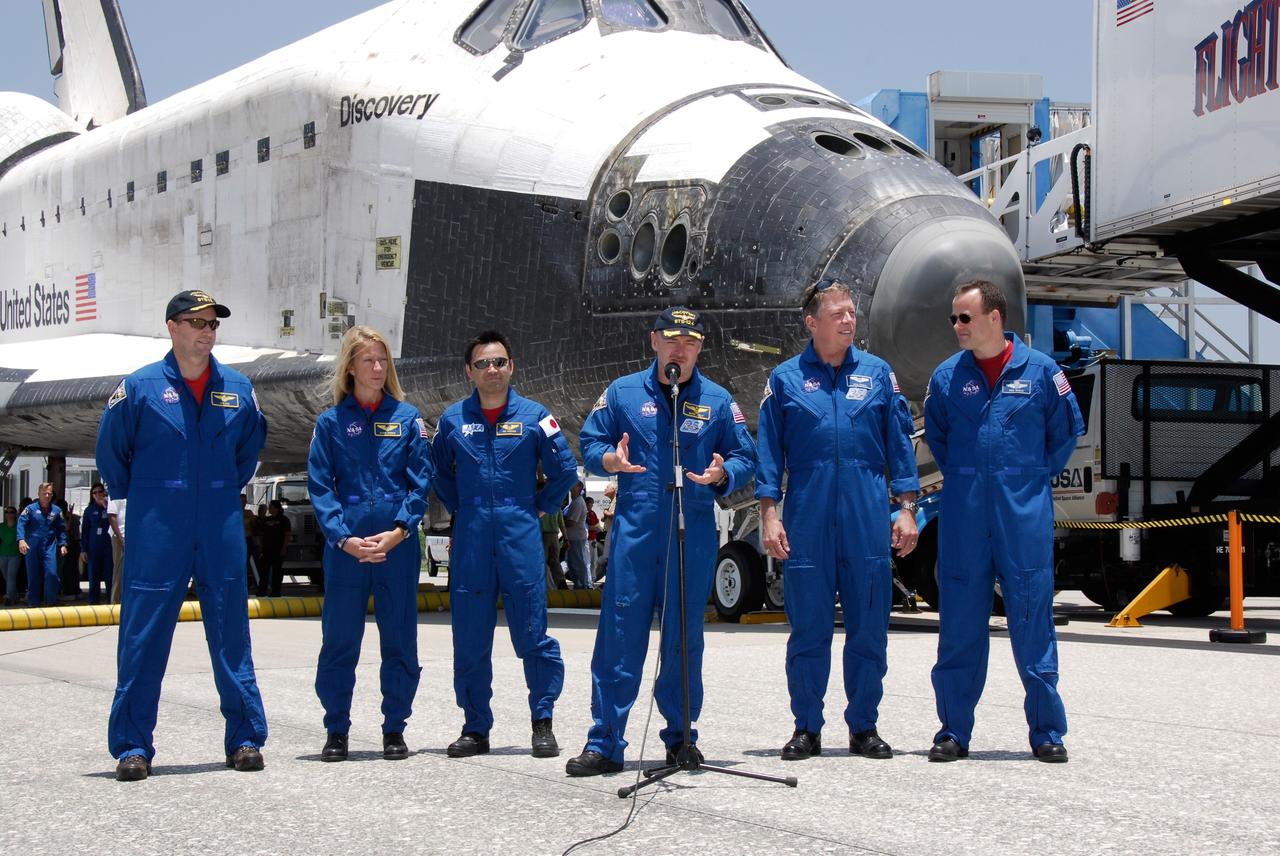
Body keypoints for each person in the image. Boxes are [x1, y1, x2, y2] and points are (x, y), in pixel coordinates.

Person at [565, 307, 756, 776]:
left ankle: (681, 736)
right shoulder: (623, 392)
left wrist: (723, 474)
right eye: (672, 340)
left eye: (690, 343)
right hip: (636, 530)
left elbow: (745, 456)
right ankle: (605, 742)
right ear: (654, 341)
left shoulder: (717, 399)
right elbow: (590, 441)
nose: (680, 350)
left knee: (684, 638)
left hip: (690, 533)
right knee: (620, 632)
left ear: (700, 348)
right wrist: (608, 460)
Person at [96, 289, 269, 782]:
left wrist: (213, 493)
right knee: (143, 634)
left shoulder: (237, 388)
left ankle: (244, 738)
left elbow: (249, 448)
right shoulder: (140, 388)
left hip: (217, 520)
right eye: (196, 322)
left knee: (231, 631)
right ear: (172, 327)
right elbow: (112, 451)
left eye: (212, 322)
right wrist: (128, 506)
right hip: (158, 523)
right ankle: (132, 745)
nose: (207, 331)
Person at [755, 278, 920, 762]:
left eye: (852, 312)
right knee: (809, 628)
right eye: (838, 313)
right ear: (812, 321)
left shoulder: (878, 373)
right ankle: (807, 727)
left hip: (866, 515)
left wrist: (906, 508)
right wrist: (769, 514)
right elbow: (768, 454)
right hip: (807, 513)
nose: (849, 320)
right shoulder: (785, 380)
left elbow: (900, 444)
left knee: (870, 625)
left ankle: (863, 727)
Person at [923, 280, 1084, 764]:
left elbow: (1063, 437)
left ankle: (1047, 732)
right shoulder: (948, 377)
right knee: (959, 625)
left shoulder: (1042, 372)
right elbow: (939, 437)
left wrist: (1026, 480)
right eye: (953, 318)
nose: (957, 327)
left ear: (995, 317)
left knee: (1033, 619)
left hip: (1022, 513)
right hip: (965, 514)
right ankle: (953, 731)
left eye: (965, 318)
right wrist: (975, 479)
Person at [433, 330, 578, 759]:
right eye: (482, 364)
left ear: (511, 367)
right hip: (473, 536)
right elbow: (439, 472)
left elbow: (565, 471)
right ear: (469, 371)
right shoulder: (452, 420)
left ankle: (542, 721)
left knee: (532, 633)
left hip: (520, 532)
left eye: (498, 362)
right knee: (470, 638)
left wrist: (538, 508)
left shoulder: (536, 417)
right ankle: (475, 728)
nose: (491, 370)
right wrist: (466, 509)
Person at [309, 325, 432, 763]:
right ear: (351, 367)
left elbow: (420, 484)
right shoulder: (330, 424)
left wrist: (400, 531)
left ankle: (394, 728)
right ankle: (336, 729)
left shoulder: (407, 419)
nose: (378, 368)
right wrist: (343, 539)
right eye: (369, 360)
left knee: (399, 640)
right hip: (347, 549)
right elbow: (321, 487)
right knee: (340, 640)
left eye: (383, 360)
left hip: (395, 548)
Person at [16, 483, 68, 607]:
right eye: (44, 493)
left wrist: (63, 544)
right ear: (39, 494)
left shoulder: (56, 511)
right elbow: (21, 523)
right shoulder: (30, 509)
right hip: (32, 547)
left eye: (49, 493)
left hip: (49, 547)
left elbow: (61, 529)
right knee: (33, 576)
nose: (47, 495)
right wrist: (21, 540)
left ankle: (50, 602)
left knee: (52, 574)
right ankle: (34, 603)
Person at [80, 483, 115, 605]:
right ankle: (93, 603)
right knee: (93, 577)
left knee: (109, 575)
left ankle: (112, 601)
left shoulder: (110, 507)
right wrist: (83, 549)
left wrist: (105, 506)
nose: (98, 495)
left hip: (108, 547)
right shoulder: (89, 510)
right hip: (93, 548)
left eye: (100, 492)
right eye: (95, 493)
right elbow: (85, 531)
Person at [255, 500, 292, 597]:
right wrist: (261, 546)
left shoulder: (284, 520)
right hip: (267, 549)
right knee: (264, 571)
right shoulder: (266, 520)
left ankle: (276, 591)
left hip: (278, 548)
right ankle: (262, 590)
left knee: (277, 571)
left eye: (271, 507)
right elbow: (261, 533)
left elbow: (287, 534)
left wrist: (284, 547)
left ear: (276, 508)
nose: (269, 509)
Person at [538, 480, 568, 590]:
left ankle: (549, 586)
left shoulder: (539, 505)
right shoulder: (556, 506)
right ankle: (561, 582)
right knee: (555, 561)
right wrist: (566, 539)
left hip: (543, 536)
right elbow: (562, 524)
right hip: (555, 536)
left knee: (543, 561)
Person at [563, 482, 591, 589]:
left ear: (579, 487)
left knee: (578, 563)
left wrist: (561, 521)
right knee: (572, 563)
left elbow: (572, 522)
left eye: (574, 484)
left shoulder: (578, 503)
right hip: (573, 537)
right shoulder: (574, 502)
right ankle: (579, 585)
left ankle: (583, 586)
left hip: (577, 538)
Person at [0, 506, 21, 605]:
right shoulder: (1, 526)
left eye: (11, 512)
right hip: (2, 554)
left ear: (15, 514)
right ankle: (15, 596)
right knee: (7, 577)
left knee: (11, 576)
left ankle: (8, 597)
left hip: (15, 555)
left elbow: (10, 540)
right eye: (7, 512)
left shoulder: (19, 526)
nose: (9, 514)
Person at [107, 497, 126, 604]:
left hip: (133, 536)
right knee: (119, 571)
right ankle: (115, 602)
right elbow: (111, 515)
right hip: (120, 536)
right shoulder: (115, 493)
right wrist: (120, 538)